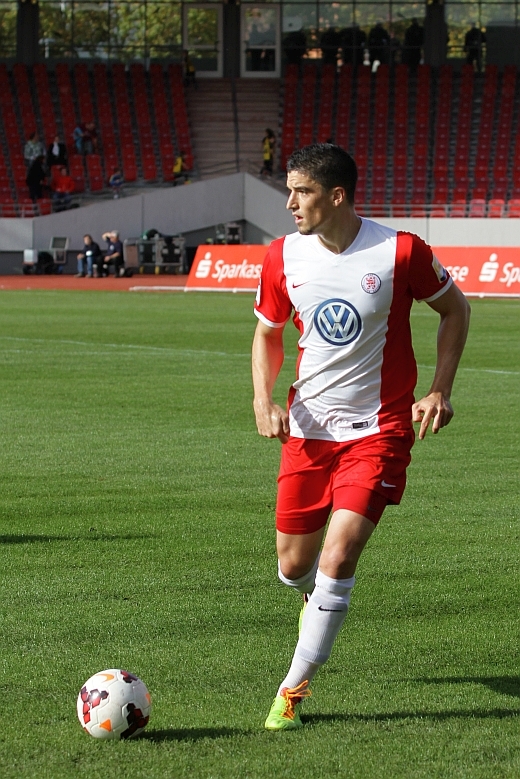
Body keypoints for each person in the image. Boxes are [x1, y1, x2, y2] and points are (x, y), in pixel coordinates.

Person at [251, 143, 470, 731]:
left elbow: (456, 310)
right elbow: (267, 334)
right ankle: (312, 596)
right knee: (293, 566)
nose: (290, 203)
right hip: (308, 431)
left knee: (340, 552)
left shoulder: (401, 251)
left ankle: (291, 693)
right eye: (290, 191)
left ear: (337, 195)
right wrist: (262, 399)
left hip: (379, 430)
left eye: (301, 192)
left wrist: (439, 389)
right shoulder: (282, 256)